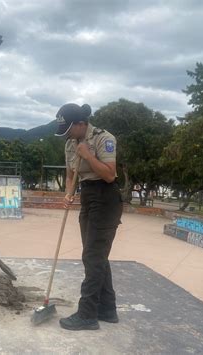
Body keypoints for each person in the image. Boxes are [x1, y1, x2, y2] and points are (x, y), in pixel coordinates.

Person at [55, 103, 123, 330]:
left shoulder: (104, 138)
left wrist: (87, 155)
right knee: (96, 255)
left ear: (81, 124)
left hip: (106, 198)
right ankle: (107, 309)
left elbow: (110, 175)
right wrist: (68, 194)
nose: (67, 135)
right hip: (88, 196)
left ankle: (87, 314)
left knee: (92, 256)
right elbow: (70, 174)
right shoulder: (69, 145)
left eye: (69, 129)